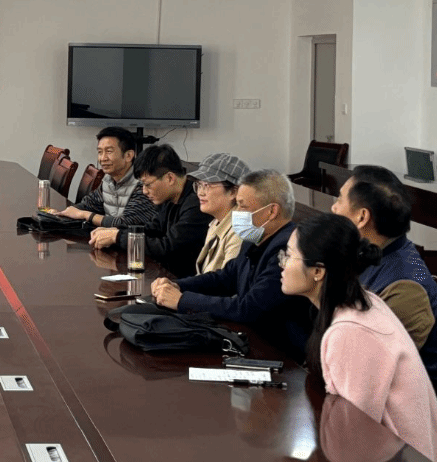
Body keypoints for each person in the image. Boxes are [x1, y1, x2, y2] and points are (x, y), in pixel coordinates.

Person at [281, 212, 437, 459]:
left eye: (289, 256)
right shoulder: (358, 302)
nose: (281, 264)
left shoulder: (350, 332)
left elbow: (353, 437)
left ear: (318, 271)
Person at [151, 169, 313, 359]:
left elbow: (249, 308)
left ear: (271, 211)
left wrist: (182, 300)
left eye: (243, 206)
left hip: (281, 353)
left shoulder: (288, 249)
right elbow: (226, 277)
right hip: (249, 339)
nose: (237, 212)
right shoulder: (255, 237)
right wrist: (177, 285)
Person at [330, 164, 437, 386]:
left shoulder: (406, 287)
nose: (333, 208)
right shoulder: (374, 254)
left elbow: (367, 368)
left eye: (339, 199)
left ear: (362, 217)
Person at [89, 144, 211, 278]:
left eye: (148, 184)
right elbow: (152, 229)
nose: (144, 191)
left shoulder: (197, 203)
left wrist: (118, 237)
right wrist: (115, 231)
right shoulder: (170, 197)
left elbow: (168, 247)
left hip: (185, 281)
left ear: (170, 178)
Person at [56, 127, 153, 227]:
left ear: (128, 155)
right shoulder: (108, 180)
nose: (103, 158)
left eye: (109, 151)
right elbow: (88, 205)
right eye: (100, 152)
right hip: (107, 235)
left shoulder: (144, 185)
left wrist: (85, 215)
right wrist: (61, 214)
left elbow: (127, 224)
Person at [192, 153, 251, 274]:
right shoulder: (216, 221)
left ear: (233, 192)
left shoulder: (241, 231)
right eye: (199, 185)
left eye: (207, 185)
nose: (200, 193)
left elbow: (227, 281)